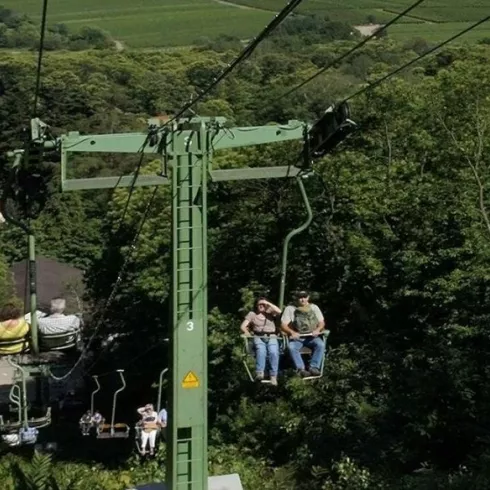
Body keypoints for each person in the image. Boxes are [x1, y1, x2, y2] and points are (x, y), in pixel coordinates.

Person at [281, 291, 326, 377]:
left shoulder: (314, 307)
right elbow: (283, 325)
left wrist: (317, 329)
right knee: (291, 347)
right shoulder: (290, 308)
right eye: (300, 297)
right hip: (298, 337)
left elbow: (321, 322)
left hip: (311, 336)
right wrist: (292, 332)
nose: (302, 299)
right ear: (297, 298)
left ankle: (314, 367)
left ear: (308, 297)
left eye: (304, 297)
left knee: (320, 344)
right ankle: (300, 368)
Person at [240, 297, 281, 385]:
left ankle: (273, 376)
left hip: (271, 336)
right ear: (256, 305)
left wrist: (267, 303)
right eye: (259, 304)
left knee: (273, 352)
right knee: (261, 351)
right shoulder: (252, 314)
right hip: (258, 336)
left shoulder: (270, 312)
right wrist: (247, 333)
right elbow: (243, 326)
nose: (261, 306)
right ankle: (260, 373)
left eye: (263, 304)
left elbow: (279, 311)